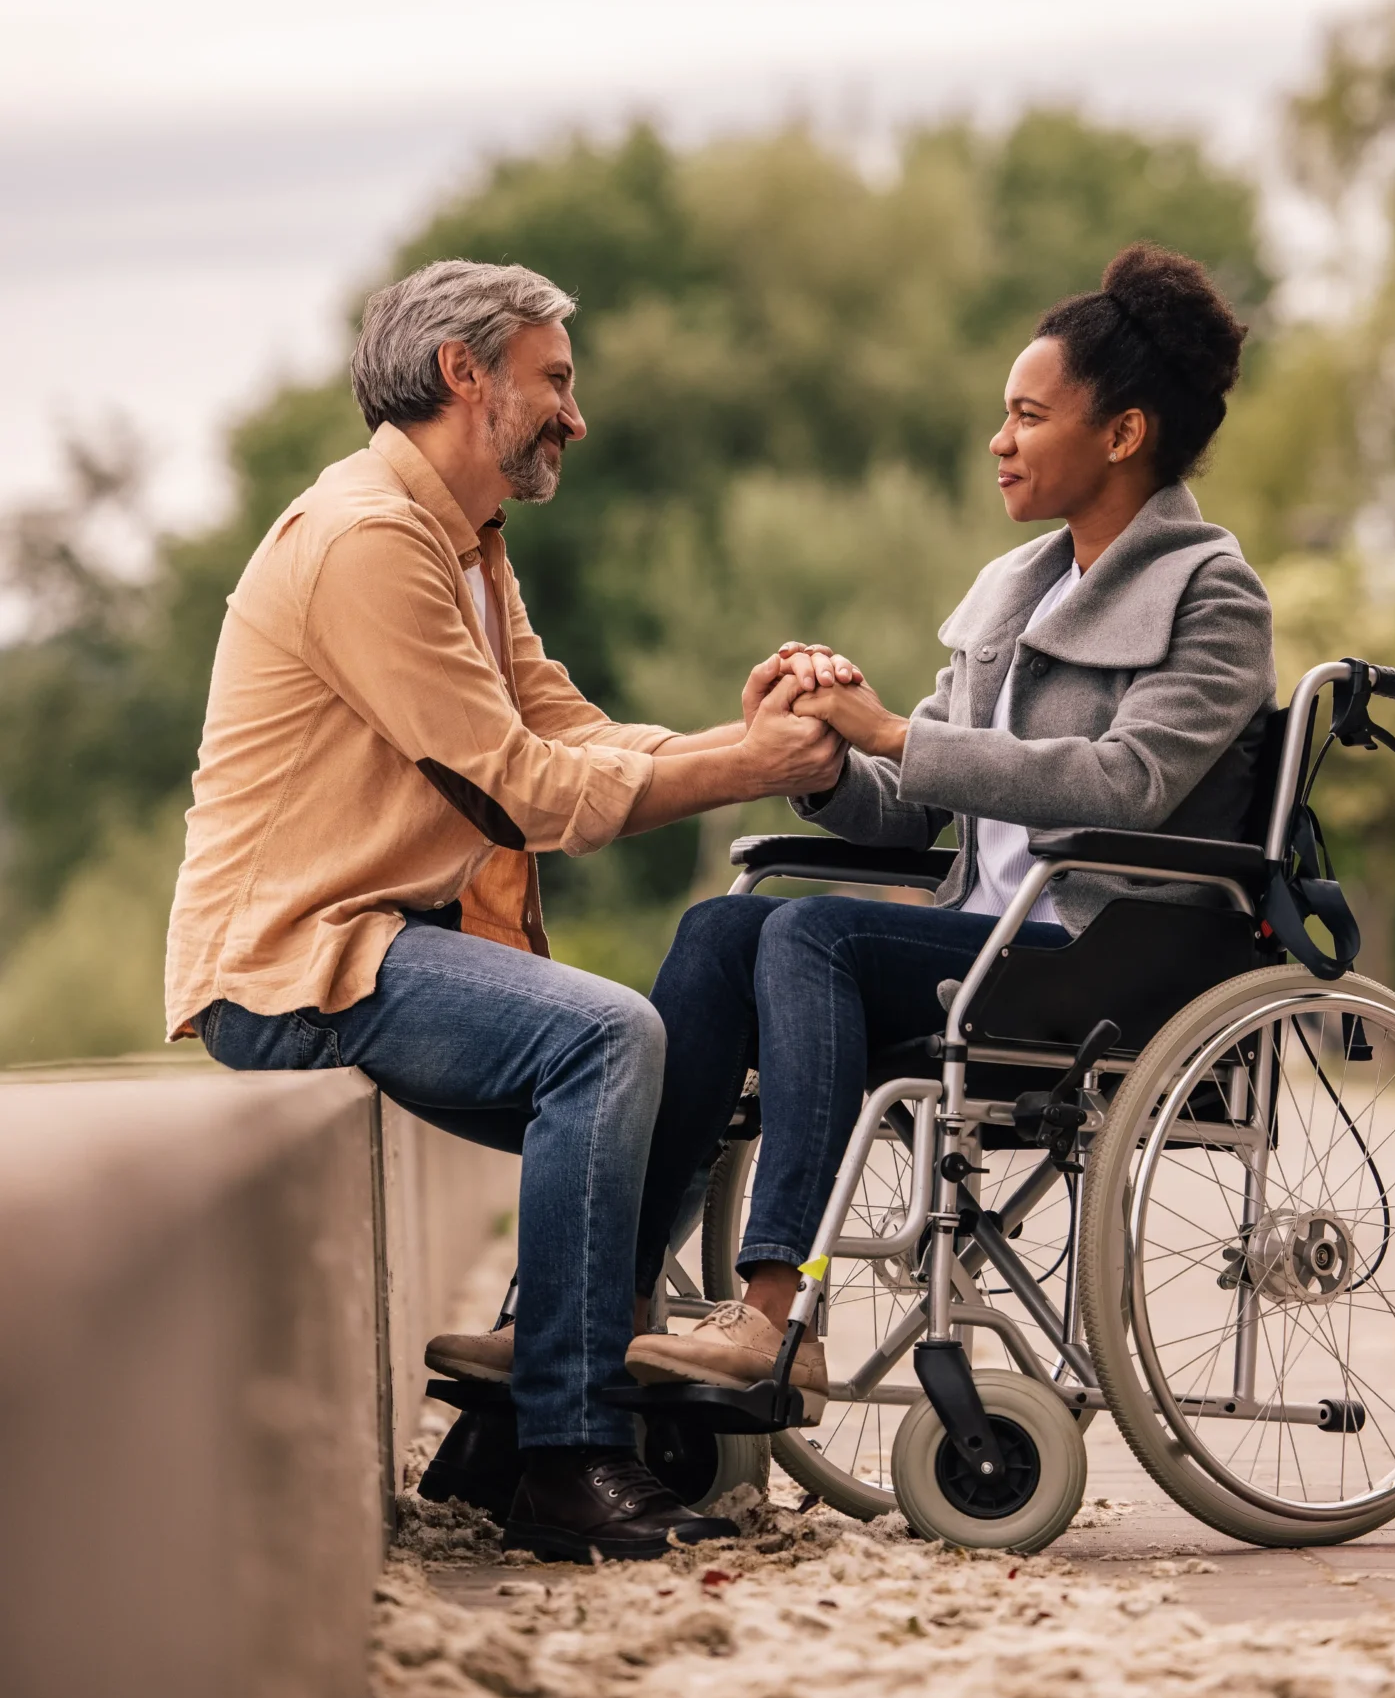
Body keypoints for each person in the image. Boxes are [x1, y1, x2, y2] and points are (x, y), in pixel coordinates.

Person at [164, 258, 844, 1563]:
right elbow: (529, 791)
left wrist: (746, 735)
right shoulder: (367, 541)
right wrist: (749, 767)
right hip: (298, 963)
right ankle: (568, 1456)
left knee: (686, 1026)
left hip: (392, 944)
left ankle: (494, 1433)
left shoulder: (465, 544)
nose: (575, 417)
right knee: (604, 1041)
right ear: (465, 375)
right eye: (556, 381)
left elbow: (575, 730)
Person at [625, 242, 1275, 1410]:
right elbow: (907, 802)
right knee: (725, 933)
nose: (1000, 439)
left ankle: (775, 1317)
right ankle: (600, 1300)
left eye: (1028, 415)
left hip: (1105, 960)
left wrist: (890, 733)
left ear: (1121, 434)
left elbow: (1127, 783)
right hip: (983, 943)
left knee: (808, 935)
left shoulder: (1212, 596)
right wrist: (813, 746)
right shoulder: (1014, 591)